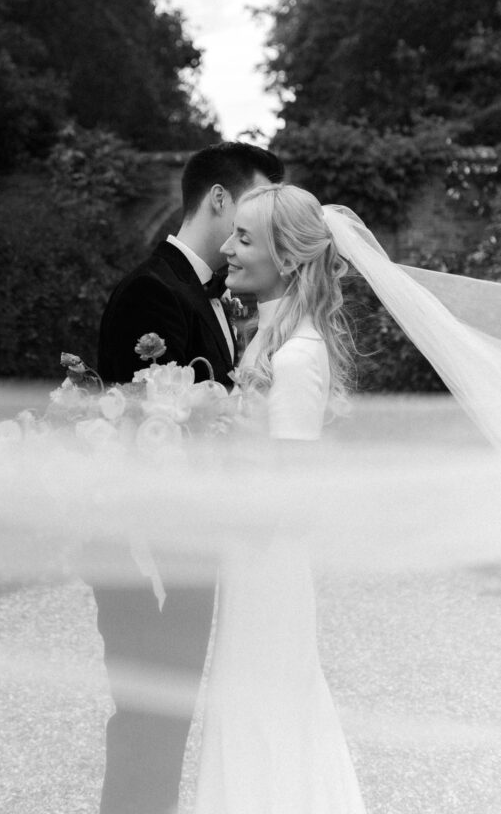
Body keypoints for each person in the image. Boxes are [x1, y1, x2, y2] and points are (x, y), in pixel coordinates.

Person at [94, 142, 284, 814]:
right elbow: (144, 437)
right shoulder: (153, 290)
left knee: (167, 722)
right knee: (150, 722)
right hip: (152, 553)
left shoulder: (204, 291)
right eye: (258, 203)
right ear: (220, 199)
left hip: (187, 548)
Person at [194, 183, 366, 814]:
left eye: (244, 238)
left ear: (288, 258)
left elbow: (295, 496)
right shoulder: (272, 340)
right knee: (252, 706)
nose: (227, 248)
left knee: (264, 707)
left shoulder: (296, 357)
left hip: (269, 565)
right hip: (255, 562)